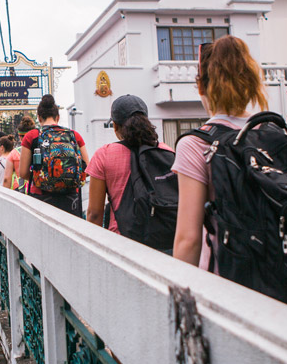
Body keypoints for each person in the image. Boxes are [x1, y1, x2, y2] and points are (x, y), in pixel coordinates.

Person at [172, 36, 268, 270]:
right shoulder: (272, 131)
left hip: (227, 280)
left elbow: (189, 240)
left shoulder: (196, 143)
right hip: (281, 276)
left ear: (201, 87)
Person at [85, 94, 172, 234]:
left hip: (122, 240)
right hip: (165, 240)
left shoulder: (104, 155)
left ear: (115, 126)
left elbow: (94, 214)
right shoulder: (166, 151)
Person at [18, 94, 90, 216]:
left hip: (41, 198)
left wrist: (43, 175)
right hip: (71, 198)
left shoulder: (31, 136)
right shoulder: (74, 135)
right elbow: (87, 168)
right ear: (58, 117)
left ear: (39, 117)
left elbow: (23, 173)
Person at [3, 115, 35, 191]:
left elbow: (7, 179)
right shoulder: (40, 150)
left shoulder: (14, 153)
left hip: (20, 192)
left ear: (20, 136)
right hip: (37, 192)